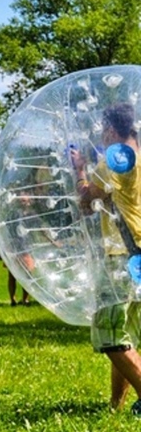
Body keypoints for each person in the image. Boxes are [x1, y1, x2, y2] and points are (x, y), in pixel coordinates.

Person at [73, 101, 141, 414]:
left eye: (104, 129)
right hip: (137, 257)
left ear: (112, 130)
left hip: (120, 257)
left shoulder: (113, 161)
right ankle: (116, 407)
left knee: (109, 334)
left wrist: (79, 170)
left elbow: (86, 202)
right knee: (125, 335)